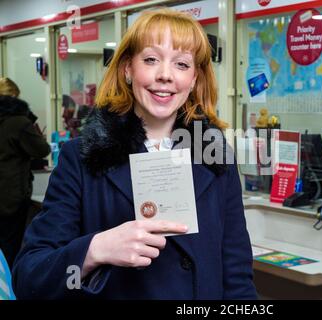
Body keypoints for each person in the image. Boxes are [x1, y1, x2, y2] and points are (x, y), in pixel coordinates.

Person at [12, 9, 257, 299]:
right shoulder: (81, 157)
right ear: (128, 68)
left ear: (194, 79)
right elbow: (30, 278)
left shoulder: (215, 156)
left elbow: (237, 277)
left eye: (181, 64)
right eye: (151, 59)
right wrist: (96, 250)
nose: (165, 75)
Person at [0, 77, 51, 269]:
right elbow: (42, 149)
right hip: (10, 196)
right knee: (10, 247)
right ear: (14, 96)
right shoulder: (19, 122)